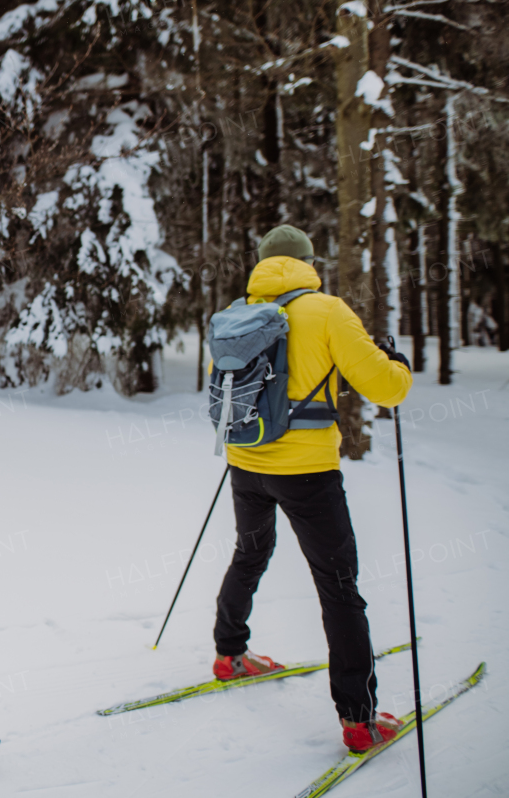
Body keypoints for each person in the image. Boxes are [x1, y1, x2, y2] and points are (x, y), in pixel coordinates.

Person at [210, 224, 413, 753]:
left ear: (261, 263)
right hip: (307, 471)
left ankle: (230, 653)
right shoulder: (327, 310)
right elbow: (385, 388)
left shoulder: (234, 315)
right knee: (339, 588)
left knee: (249, 553)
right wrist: (397, 363)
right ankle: (359, 720)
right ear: (308, 262)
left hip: (245, 461)